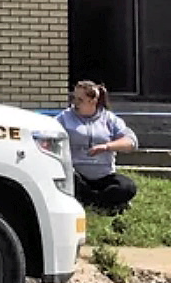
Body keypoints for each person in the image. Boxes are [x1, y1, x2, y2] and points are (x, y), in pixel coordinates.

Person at [55, 80, 139, 213]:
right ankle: (103, 203)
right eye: (73, 98)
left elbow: (131, 142)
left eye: (80, 100)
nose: (75, 103)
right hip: (77, 175)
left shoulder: (110, 119)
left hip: (104, 176)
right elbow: (49, 134)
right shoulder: (64, 118)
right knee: (69, 182)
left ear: (93, 101)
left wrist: (106, 147)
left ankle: (91, 201)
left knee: (127, 187)